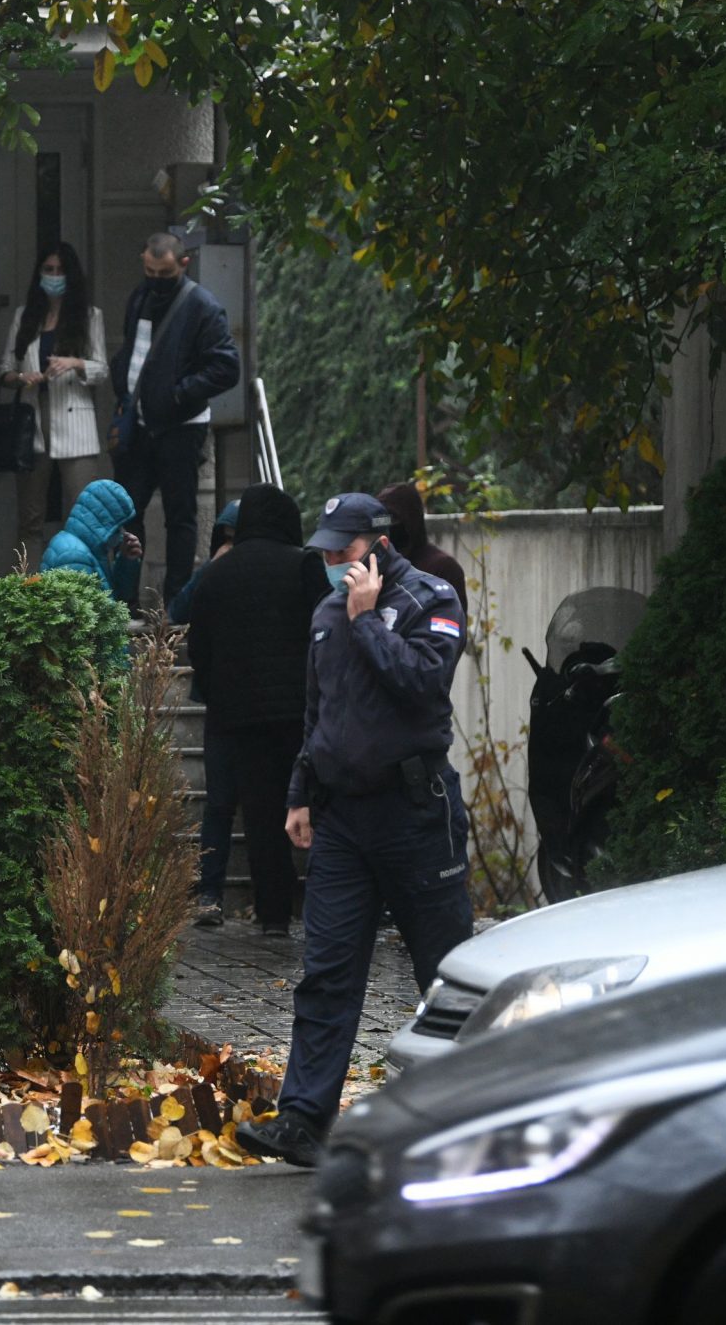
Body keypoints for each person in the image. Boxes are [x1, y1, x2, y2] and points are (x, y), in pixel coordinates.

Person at [237, 492, 472, 1168]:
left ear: (379, 542)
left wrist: (369, 621)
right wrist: (299, 793)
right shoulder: (324, 613)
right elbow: (320, 712)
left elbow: (424, 683)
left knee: (449, 973)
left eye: (343, 551)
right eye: (326, 553)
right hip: (342, 819)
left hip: (416, 814)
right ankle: (304, 1120)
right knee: (327, 971)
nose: (333, 563)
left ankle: (469, 1111)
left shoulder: (431, 599)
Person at [181, 485, 328, 934]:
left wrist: (216, 693)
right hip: (299, 714)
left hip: (240, 717)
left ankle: (273, 917)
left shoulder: (216, 575)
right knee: (320, 807)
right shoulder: (303, 565)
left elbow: (197, 645)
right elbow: (328, 628)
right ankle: (328, 907)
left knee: (263, 817)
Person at [108, 232, 240, 604]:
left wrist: (179, 394)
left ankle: (175, 607)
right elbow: (134, 351)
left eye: (163, 274)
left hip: (181, 427)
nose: (155, 279)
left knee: (179, 517)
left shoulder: (201, 305)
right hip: (140, 422)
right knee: (127, 513)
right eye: (149, 270)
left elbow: (227, 367)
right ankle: (126, 601)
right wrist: (125, 391)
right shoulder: (141, 296)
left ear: (183, 264)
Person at [0, 243, 112, 549]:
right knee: (30, 517)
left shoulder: (89, 316)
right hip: (34, 419)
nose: (54, 276)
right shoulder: (26, 316)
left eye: (60, 271)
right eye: (48, 270)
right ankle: (28, 586)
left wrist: (74, 363)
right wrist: (23, 378)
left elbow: (102, 370)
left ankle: (84, 586)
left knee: (83, 514)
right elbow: (6, 370)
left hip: (75, 418)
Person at [38, 476, 144, 613]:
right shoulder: (73, 554)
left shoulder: (91, 550)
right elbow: (87, 621)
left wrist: (126, 561)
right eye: (117, 527)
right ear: (104, 522)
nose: (122, 533)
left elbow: (115, 596)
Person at [377, 482, 468, 611]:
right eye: (380, 519)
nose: (386, 524)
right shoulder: (377, 565)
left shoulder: (443, 567)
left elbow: (453, 623)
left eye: (392, 518)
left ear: (411, 519)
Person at [164, 499, 242, 626]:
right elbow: (178, 613)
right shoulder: (215, 563)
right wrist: (210, 569)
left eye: (236, 540)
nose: (229, 547)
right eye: (227, 539)